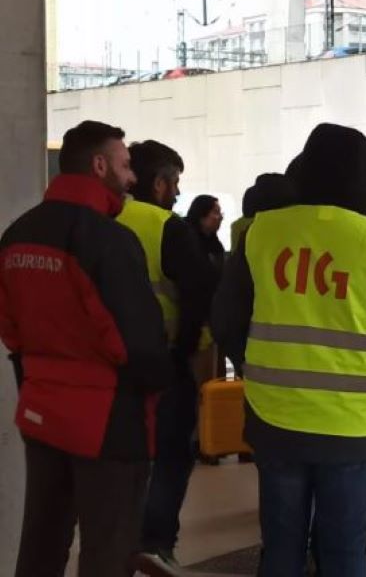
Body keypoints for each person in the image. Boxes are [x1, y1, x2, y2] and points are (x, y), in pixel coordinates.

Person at [211, 123, 366, 577]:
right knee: (345, 549)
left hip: (275, 419)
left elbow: (227, 320)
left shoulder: (262, 233)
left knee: (281, 546)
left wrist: (255, 372)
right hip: (352, 426)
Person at [0, 120, 171, 577]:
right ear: (99, 166)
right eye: (125, 164)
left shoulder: (17, 235)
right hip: (107, 424)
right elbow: (137, 344)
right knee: (107, 552)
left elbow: (11, 332)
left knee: (40, 543)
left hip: (41, 414)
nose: (132, 176)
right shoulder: (107, 241)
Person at [118, 140, 218, 570]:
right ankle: (155, 540)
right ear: (158, 183)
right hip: (161, 361)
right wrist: (186, 352)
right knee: (174, 453)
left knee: (121, 456)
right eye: (174, 182)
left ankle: (117, 538)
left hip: (109, 363)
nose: (178, 193)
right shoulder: (167, 227)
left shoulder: (105, 217)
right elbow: (198, 296)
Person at [186, 194, 227, 275]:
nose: (221, 217)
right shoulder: (187, 240)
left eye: (220, 213)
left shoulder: (215, 243)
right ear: (201, 216)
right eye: (216, 212)